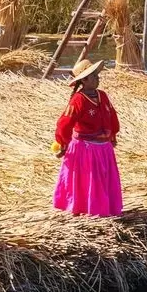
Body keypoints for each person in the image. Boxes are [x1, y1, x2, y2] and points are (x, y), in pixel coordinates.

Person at [52, 59, 123, 217]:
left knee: (104, 180)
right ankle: (86, 209)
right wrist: (63, 144)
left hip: (104, 148)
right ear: (84, 80)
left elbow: (112, 116)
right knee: (89, 180)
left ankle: (105, 209)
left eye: (97, 75)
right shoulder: (78, 99)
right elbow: (65, 123)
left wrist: (113, 135)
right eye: (94, 76)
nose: (98, 78)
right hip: (85, 149)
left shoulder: (102, 95)